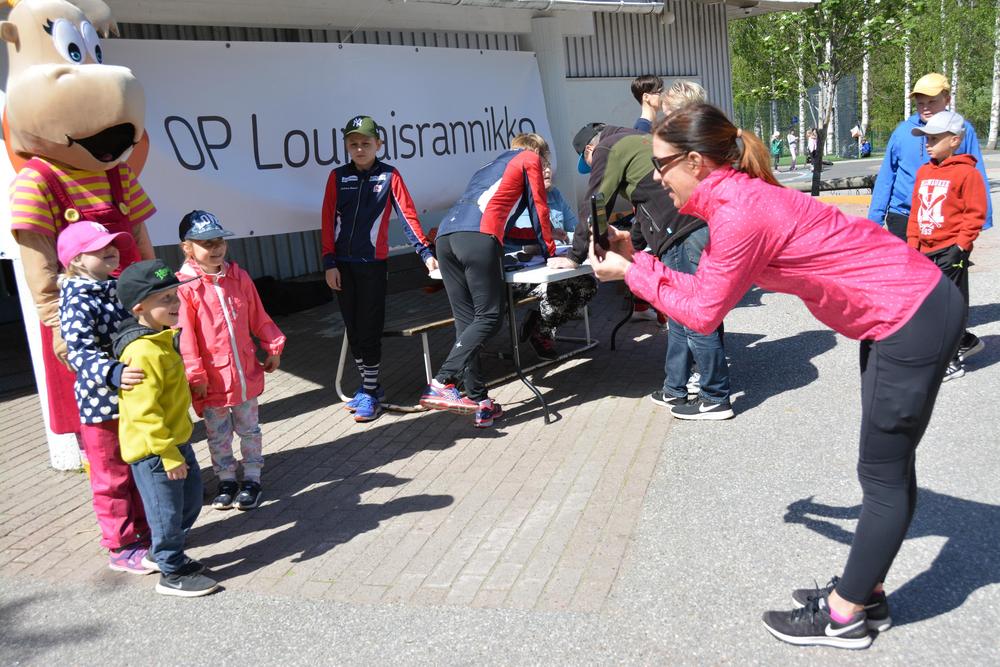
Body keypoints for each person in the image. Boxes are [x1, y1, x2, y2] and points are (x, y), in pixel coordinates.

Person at [589, 103, 963, 649]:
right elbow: (704, 292)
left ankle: (845, 617)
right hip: (900, 313)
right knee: (884, 469)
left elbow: (702, 314)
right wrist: (639, 263)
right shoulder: (734, 202)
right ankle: (866, 593)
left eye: (660, 164)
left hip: (910, 315)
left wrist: (629, 273)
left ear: (694, 162)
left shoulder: (739, 212)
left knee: (882, 475)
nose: (655, 177)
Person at [573, 119, 733, 419]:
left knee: (694, 315)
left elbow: (595, 202)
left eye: (588, 164)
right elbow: (647, 204)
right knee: (680, 313)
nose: (593, 169)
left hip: (681, 232)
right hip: (699, 224)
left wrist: (574, 254)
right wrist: (633, 244)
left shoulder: (607, 148)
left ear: (590, 150)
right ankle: (675, 388)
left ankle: (715, 397)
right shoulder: (637, 140)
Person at [419, 133, 557, 428]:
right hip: (477, 237)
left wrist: (536, 239)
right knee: (490, 316)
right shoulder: (529, 159)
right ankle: (442, 381)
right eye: (545, 160)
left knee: (466, 323)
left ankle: (479, 401)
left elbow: (503, 220)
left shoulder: (489, 168)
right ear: (540, 155)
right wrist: (550, 251)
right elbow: (539, 208)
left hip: (446, 237)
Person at [112, 259, 220, 598]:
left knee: (190, 501)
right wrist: (167, 453)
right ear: (139, 307)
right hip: (156, 451)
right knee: (167, 512)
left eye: (175, 295)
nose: (176, 303)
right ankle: (170, 572)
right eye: (165, 299)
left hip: (176, 442)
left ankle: (163, 553)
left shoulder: (161, 339)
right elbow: (143, 412)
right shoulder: (143, 352)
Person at [321, 115, 437, 422]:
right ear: (346, 146)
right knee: (354, 329)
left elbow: (408, 216)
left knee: (369, 328)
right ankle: (370, 387)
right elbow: (327, 221)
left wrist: (425, 252)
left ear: (378, 145)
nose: (359, 149)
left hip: (372, 266)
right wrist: (329, 262)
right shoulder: (337, 177)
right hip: (342, 266)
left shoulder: (389, 175)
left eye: (366, 143)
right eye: (353, 144)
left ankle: (370, 392)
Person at [56, 221, 152, 575]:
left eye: (112, 244)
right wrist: (112, 372)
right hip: (100, 405)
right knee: (112, 477)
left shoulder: (115, 287)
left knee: (138, 467)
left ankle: (147, 531)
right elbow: (79, 352)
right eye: (99, 248)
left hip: (131, 399)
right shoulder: (77, 299)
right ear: (76, 260)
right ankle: (121, 545)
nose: (111, 250)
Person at [175, 210, 286, 511]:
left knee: (249, 429)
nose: (216, 248)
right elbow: (185, 338)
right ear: (187, 248)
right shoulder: (185, 287)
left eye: (219, 241)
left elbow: (258, 316)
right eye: (206, 243)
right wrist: (196, 376)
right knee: (217, 433)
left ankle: (251, 477)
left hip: (244, 373)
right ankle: (225, 478)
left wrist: (272, 346)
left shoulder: (239, 277)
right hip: (212, 381)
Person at [907, 111, 987, 381]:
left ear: (954, 140)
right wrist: (912, 244)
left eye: (934, 138)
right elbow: (917, 211)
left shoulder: (967, 173)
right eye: (926, 138)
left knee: (946, 308)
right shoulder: (924, 172)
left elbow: (975, 214)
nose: (927, 143)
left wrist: (961, 246)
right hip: (924, 249)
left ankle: (951, 361)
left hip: (951, 250)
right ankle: (965, 341)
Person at [869, 72, 992, 242]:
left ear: (947, 100)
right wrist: (875, 219)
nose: (926, 108)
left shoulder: (962, 130)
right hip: (903, 215)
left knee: (942, 259)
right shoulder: (903, 132)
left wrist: (984, 217)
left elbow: (977, 173)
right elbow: (887, 176)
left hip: (945, 218)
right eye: (920, 103)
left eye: (932, 102)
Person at [504, 163, 598, 360]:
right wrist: (550, 242)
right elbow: (525, 246)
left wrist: (575, 239)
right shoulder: (519, 200)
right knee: (557, 290)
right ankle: (542, 335)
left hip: (552, 267)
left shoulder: (555, 194)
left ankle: (539, 326)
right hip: (521, 273)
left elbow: (576, 230)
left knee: (588, 285)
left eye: (547, 166)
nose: (547, 171)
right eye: (541, 167)